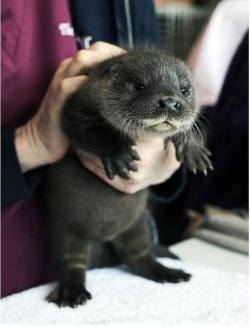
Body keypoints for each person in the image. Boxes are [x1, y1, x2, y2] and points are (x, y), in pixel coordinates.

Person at [2, 0, 185, 297]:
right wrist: (30, 141)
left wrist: (166, 162)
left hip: (116, 267)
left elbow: (162, 91)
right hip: (16, 263)